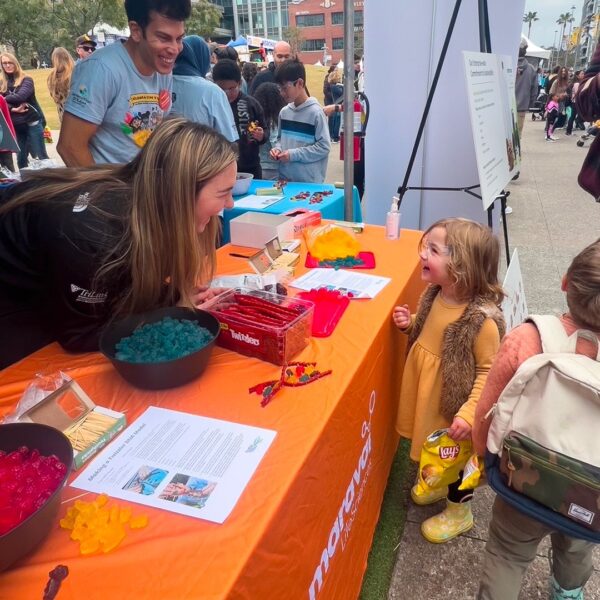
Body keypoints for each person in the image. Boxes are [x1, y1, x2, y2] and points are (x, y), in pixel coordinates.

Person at [0, 118, 237, 369]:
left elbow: (123, 282)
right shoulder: (91, 234)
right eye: (223, 193)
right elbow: (80, 334)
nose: (231, 204)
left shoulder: (141, 200)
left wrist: (175, 296)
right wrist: (174, 315)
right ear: (178, 191)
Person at [473, 239, 600, 600]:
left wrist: (485, 457)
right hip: (591, 490)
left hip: (524, 478)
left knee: (508, 553)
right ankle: (568, 592)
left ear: (564, 282)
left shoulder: (526, 339)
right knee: (578, 547)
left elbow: (487, 413)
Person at [392, 218, 504, 544]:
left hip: (455, 407)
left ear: (461, 267)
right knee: (439, 451)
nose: (423, 254)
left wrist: (469, 414)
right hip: (430, 393)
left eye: (433, 250)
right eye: (425, 246)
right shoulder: (434, 294)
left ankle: (460, 513)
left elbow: (489, 372)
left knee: (461, 462)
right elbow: (428, 329)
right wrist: (409, 324)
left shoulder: (481, 322)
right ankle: (437, 483)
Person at [58, 0, 191, 167]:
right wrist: (105, 191)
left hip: (146, 184)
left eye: (179, 39)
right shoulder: (101, 70)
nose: (174, 48)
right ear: (136, 31)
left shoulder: (162, 68)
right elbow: (70, 147)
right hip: (111, 187)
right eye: (163, 38)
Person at [270, 59, 331, 183]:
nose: (282, 93)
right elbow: (280, 139)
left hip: (309, 183)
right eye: (279, 88)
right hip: (285, 180)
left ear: (299, 83)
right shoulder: (284, 112)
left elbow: (324, 147)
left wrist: (293, 154)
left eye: (285, 88)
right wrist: (277, 149)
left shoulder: (316, 113)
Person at [172, 35, 238, 143]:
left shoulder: (160, 84)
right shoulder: (212, 92)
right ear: (203, 57)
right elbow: (228, 139)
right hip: (204, 158)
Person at [213, 58, 266, 179]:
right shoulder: (213, 105)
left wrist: (261, 135)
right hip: (222, 167)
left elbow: (265, 129)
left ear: (240, 83)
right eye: (222, 89)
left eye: (232, 88)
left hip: (251, 167)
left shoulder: (251, 104)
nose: (227, 93)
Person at [0, 52, 49, 170]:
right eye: (4, 63)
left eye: (10, 62)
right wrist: (13, 108)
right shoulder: (2, 83)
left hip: (32, 122)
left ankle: (51, 184)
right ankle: (27, 187)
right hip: (17, 125)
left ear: (15, 63)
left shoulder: (26, 79)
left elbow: (21, 96)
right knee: (21, 160)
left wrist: (4, 100)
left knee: (41, 156)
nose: (7, 65)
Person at [252, 82, 285, 180]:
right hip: (273, 168)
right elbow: (275, 142)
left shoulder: (256, 120)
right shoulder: (274, 120)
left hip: (259, 165)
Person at [515, 39, 537, 141]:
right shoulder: (531, 69)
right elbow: (534, 90)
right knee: (517, 133)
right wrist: (530, 103)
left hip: (505, 106)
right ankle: (515, 155)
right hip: (521, 106)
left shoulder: (507, 64)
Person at [47, 47, 75, 123]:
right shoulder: (76, 73)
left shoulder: (51, 78)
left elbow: (54, 97)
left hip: (63, 116)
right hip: (79, 116)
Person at [566, 70, 585, 135]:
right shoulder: (577, 84)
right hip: (576, 102)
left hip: (577, 102)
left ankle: (571, 129)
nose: (583, 75)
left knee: (575, 116)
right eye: (582, 74)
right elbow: (578, 93)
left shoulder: (580, 82)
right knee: (573, 116)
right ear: (577, 76)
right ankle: (569, 131)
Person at [0, 95, 17, 172]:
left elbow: (7, 121)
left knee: (8, 168)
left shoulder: (1, 99)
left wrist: (10, 140)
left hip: (3, 141)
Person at [327, 68, 343, 143]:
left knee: (335, 121)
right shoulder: (335, 87)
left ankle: (334, 136)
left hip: (336, 104)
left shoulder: (333, 86)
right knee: (337, 122)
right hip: (337, 104)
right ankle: (335, 137)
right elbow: (342, 93)